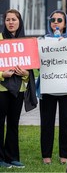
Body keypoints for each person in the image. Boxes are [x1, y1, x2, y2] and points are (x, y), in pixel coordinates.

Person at [36, 10, 67, 165]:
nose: (56, 22)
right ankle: (46, 155)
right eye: (53, 19)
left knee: (66, 122)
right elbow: (38, 64)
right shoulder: (41, 41)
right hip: (48, 88)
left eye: (60, 20)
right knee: (47, 122)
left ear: (65, 23)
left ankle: (64, 155)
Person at [0, 9, 37, 168]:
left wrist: (24, 74)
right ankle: (0, 159)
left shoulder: (25, 42)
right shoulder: (0, 40)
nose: (10, 22)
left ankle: (12, 157)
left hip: (19, 90)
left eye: (14, 19)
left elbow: (30, 73)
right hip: (1, 90)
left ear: (19, 22)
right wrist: (2, 74)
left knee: (14, 124)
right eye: (8, 20)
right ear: (4, 22)